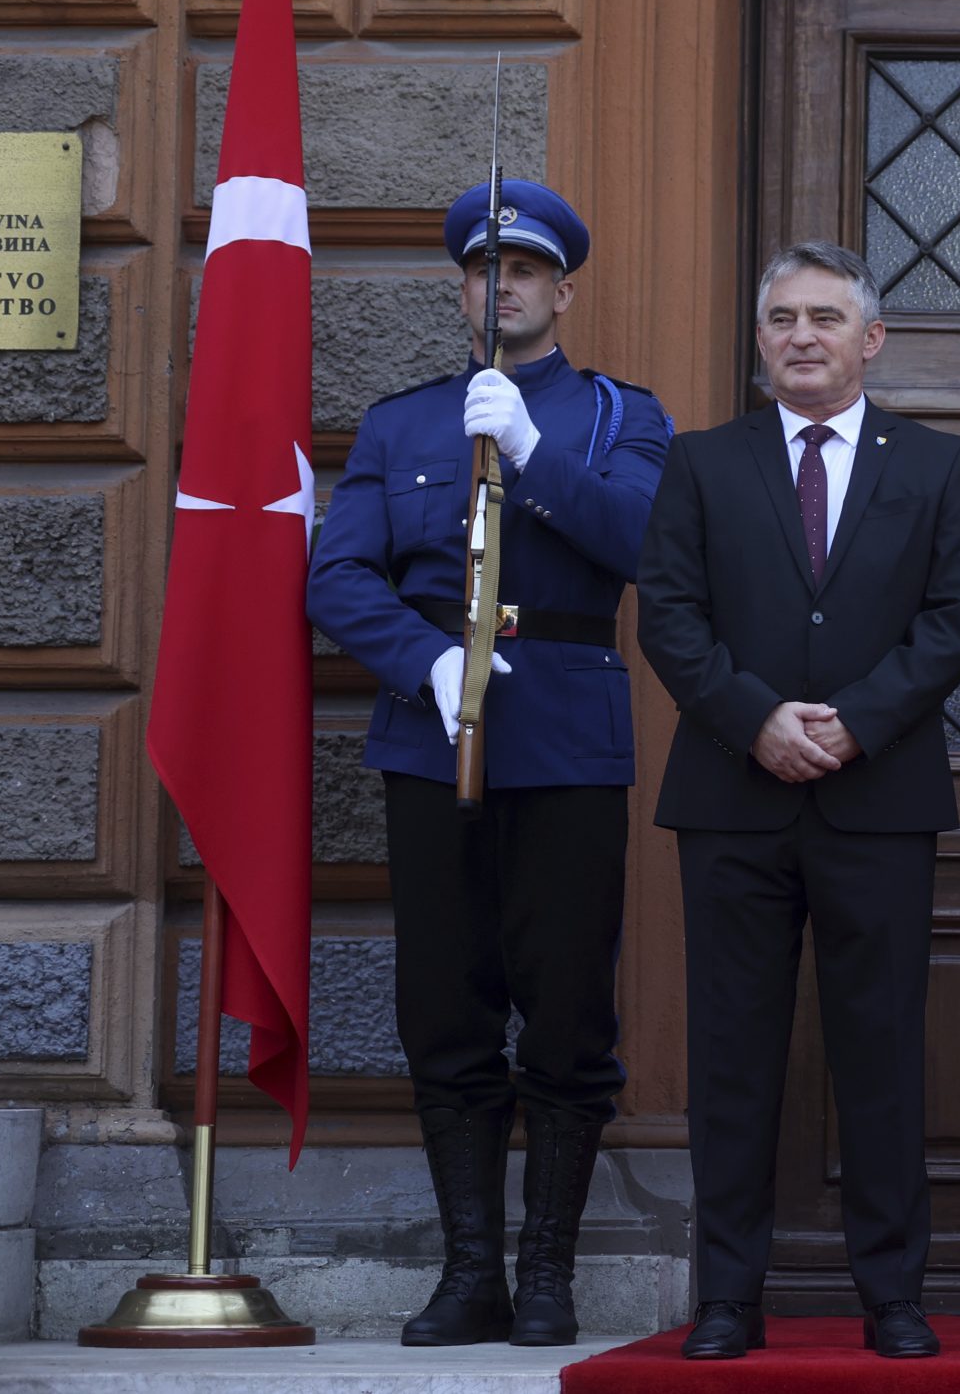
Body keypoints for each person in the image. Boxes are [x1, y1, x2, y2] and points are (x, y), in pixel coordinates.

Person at [307, 181, 669, 1348]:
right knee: (444, 1011)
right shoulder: (403, 422)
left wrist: (531, 453)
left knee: (565, 1011)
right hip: (431, 738)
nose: (500, 285)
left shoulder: (620, 417)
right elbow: (338, 576)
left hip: (564, 739)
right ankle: (471, 1270)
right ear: (459, 286)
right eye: (481, 269)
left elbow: (646, 545)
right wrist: (427, 665)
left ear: (562, 289)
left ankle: (547, 1269)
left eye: (523, 270)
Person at [636, 240, 960, 1362]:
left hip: (878, 798)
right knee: (734, 1059)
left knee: (878, 1055)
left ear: (869, 339)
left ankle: (891, 1295)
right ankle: (730, 1297)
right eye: (782, 319)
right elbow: (671, 617)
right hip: (734, 799)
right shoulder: (702, 462)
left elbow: (957, 614)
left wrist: (856, 720)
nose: (801, 336)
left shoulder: (936, 463)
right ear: (759, 341)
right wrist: (757, 720)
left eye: (825, 319)